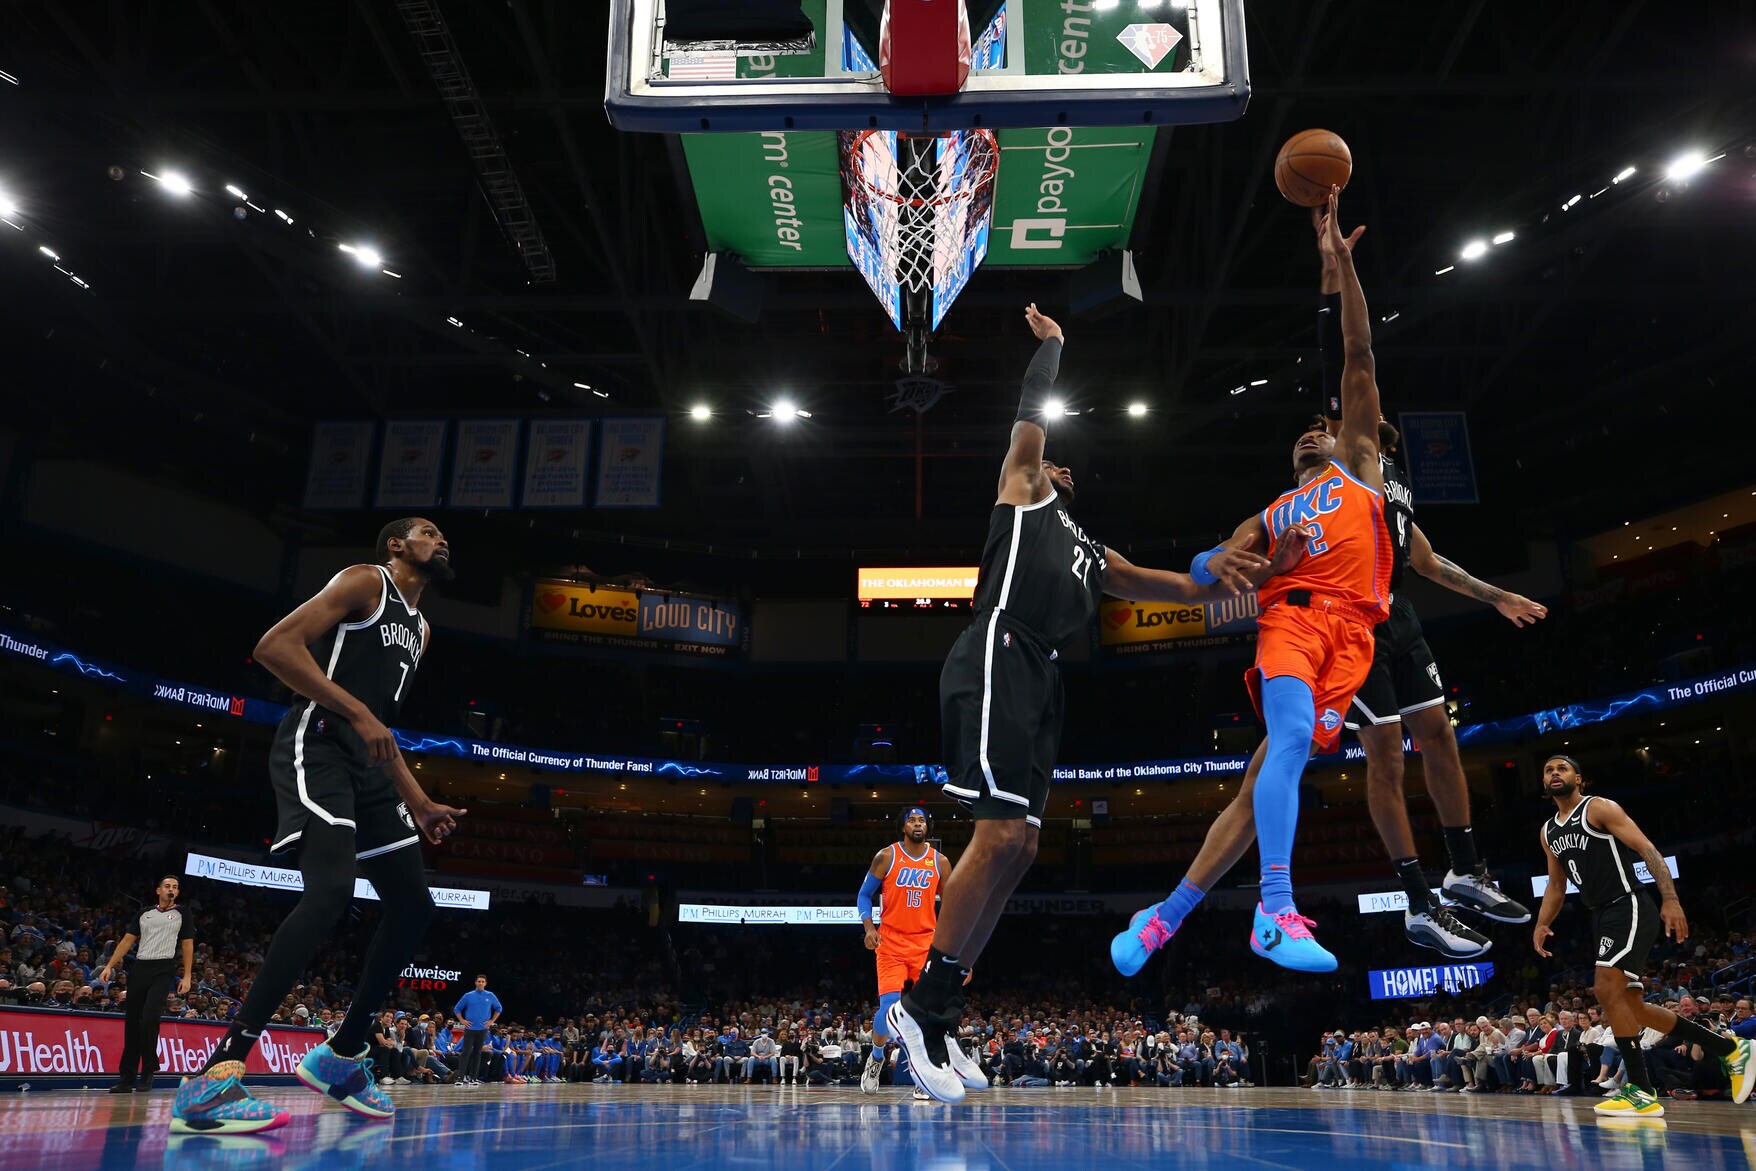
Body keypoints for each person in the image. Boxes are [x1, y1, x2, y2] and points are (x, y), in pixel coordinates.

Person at [888, 304, 1304, 1105]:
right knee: (997, 832)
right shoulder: (1022, 489)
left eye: (1065, 468)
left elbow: (1185, 587)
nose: (1057, 469)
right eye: (1052, 463)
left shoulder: (1093, 554)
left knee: (1021, 850)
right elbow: (1029, 419)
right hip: (996, 653)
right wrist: (1053, 347)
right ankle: (919, 1004)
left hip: (1042, 678)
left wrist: (1255, 559)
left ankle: (940, 1015)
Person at [1115, 189, 1385, 977]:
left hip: (1355, 635)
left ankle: (1161, 921)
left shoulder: (1361, 470)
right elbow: (1208, 571)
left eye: (1320, 427)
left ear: (1342, 438)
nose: (1311, 432)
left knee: (1269, 775)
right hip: (1293, 623)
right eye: (1301, 434)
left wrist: (1344, 272)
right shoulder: (1273, 510)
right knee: (1292, 742)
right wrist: (1229, 562)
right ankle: (1274, 907)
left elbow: (1358, 355)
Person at [170, 519, 466, 1136]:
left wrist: (418, 801)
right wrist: (356, 711)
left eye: (444, 538)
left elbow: (380, 728)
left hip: (370, 769)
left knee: (414, 907)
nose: (441, 542)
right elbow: (275, 647)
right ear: (395, 544)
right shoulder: (365, 582)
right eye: (428, 533)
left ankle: (342, 1054)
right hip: (320, 744)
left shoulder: (421, 629)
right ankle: (216, 1074)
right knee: (330, 891)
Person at [1533, 753, 1755, 1116]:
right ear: (1543, 782)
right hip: (1600, 914)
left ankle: (1640, 1090)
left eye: (1562, 768)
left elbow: (1647, 848)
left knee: (1605, 989)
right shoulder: (1548, 832)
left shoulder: (1598, 808)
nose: (1555, 773)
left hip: (1628, 903)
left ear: (1579, 778)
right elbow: (1557, 885)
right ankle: (1731, 1049)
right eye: (1548, 770)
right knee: (1631, 1005)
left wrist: (1669, 897)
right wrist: (1542, 922)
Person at [858, 806, 959, 1094]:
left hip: (926, 943)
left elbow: (952, 908)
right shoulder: (887, 856)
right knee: (889, 1010)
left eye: (922, 820)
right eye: (912, 820)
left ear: (928, 826)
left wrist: (958, 950)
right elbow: (865, 894)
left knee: (930, 1013)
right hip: (890, 942)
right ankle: (876, 1058)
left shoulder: (940, 862)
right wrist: (869, 928)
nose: (918, 824)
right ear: (903, 826)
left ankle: (924, 1076)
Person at [99, 874, 195, 1092]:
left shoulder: (183, 913)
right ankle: (127, 1078)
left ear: (178, 893)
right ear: (158, 890)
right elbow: (127, 940)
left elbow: (188, 944)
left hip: (164, 969)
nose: (171, 889)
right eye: (168, 886)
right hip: (140, 967)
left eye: (175, 887)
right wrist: (109, 966)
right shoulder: (144, 913)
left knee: (150, 1017)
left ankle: (148, 1070)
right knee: (132, 1022)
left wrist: (187, 975)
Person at [454, 974, 503, 1086]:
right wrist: (462, 1020)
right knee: (465, 1052)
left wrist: (491, 1021)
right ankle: (460, 1078)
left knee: (478, 1053)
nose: (480, 983)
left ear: (485, 983)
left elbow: (499, 1008)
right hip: (470, 1028)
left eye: (482, 981)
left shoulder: (490, 995)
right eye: (479, 981)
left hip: (483, 1029)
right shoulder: (468, 995)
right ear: (475, 983)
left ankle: (473, 1078)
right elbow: (457, 1008)